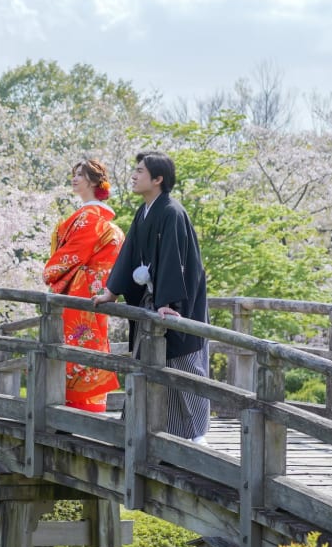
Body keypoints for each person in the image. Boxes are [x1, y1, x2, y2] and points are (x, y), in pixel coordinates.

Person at [92, 150, 210, 442]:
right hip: (153, 301)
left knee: (183, 364)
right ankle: (154, 430)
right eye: (135, 170)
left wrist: (168, 302)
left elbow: (174, 260)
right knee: (150, 361)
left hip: (177, 303)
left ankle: (197, 435)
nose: (133, 175)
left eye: (141, 171)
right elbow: (129, 253)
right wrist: (111, 291)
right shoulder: (144, 212)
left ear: (158, 179)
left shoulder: (172, 212)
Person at [43, 159, 125, 412]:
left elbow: (70, 256)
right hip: (96, 290)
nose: (75, 178)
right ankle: (88, 407)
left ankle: (72, 408)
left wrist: (50, 272)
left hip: (80, 290)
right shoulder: (100, 219)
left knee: (73, 344)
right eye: (74, 174)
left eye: (81, 174)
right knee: (88, 344)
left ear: (92, 181)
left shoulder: (88, 218)